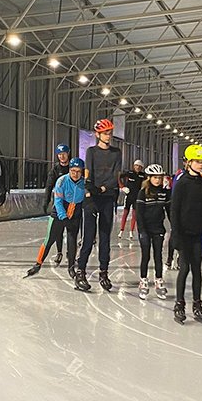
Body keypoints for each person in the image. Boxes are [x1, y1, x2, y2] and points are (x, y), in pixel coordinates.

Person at [75, 119, 121, 292]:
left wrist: (102, 188)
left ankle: (104, 272)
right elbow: (89, 173)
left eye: (109, 133)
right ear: (98, 134)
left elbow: (115, 175)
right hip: (92, 199)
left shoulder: (116, 152)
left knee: (105, 238)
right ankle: (81, 271)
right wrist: (90, 187)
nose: (108, 136)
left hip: (107, 197)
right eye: (105, 133)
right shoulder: (91, 151)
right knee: (88, 237)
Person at [171, 145, 202, 324]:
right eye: (197, 161)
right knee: (185, 268)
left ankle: (197, 303)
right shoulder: (182, 183)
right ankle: (179, 304)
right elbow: (175, 210)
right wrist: (176, 235)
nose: (200, 164)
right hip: (184, 233)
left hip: (198, 233)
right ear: (188, 162)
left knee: (197, 270)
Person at [27, 157, 86, 278]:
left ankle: (71, 268)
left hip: (75, 215)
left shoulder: (84, 183)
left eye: (78, 171)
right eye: (73, 171)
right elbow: (58, 202)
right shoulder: (61, 181)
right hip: (59, 214)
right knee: (49, 240)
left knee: (72, 241)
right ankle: (38, 264)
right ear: (69, 170)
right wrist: (63, 218)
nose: (75, 174)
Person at [135, 163, 170, 300]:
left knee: (158, 256)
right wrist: (142, 231)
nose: (158, 180)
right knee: (145, 256)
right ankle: (143, 281)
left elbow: (169, 211)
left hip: (158, 229)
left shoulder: (164, 192)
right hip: (145, 229)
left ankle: (159, 281)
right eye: (155, 177)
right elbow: (139, 214)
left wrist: (174, 226)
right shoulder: (142, 193)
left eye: (160, 178)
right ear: (149, 178)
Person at [43, 143, 71, 264]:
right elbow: (49, 186)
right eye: (59, 155)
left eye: (63, 154)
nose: (62, 157)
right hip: (60, 203)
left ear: (68, 154)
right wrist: (46, 200)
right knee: (58, 230)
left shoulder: (73, 167)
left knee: (71, 230)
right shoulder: (55, 170)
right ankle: (59, 252)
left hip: (72, 203)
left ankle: (71, 253)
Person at [118, 160, 145, 240]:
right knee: (125, 213)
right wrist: (122, 187)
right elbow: (118, 176)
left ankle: (131, 232)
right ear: (134, 166)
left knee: (134, 215)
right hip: (129, 196)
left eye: (139, 166)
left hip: (137, 197)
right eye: (136, 166)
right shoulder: (129, 173)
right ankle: (121, 230)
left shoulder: (142, 175)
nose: (137, 168)